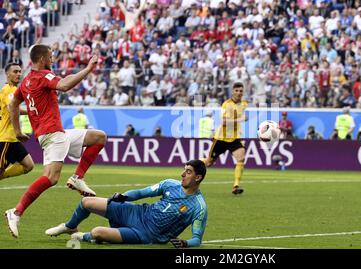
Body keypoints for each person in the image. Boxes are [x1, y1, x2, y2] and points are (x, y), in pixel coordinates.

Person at [5, 44, 107, 238]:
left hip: (55, 133)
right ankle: (16, 212)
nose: (52, 60)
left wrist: (18, 131)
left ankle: (78, 178)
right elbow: (65, 85)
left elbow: (13, 104)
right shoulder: (43, 75)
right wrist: (88, 69)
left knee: (99, 137)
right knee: (51, 178)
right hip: (52, 134)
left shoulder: (26, 81)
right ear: (42, 59)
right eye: (51, 56)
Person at [45, 160, 207, 248]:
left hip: (145, 234)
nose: (182, 174)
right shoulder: (171, 184)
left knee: (97, 232)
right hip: (137, 212)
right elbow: (142, 193)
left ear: (198, 178)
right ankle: (70, 226)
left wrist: (185, 243)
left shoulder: (199, 207)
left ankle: (83, 236)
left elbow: (197, 239)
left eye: (188, 172)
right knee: (86, 202)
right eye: (184, 170)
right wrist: (124, 197)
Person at [203, 82, 247, 195]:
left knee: (241, 158)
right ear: (233, 91)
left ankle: (236, 185)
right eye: (237, 90)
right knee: (208, 163)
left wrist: (241, 123)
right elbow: (224, 122)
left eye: (241, 91)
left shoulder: (244, 104)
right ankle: (191, 164)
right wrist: (240, 119)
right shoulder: (226, 104)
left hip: (234, 138)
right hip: (221, 138)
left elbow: (240, 119)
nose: (239, 93)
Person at [0, 63, 34, 181]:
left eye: (20, 71)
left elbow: (14, 109)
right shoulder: (10, 89)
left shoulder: (10, 90)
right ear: (7, 74)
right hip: (6, 139)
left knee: (28, 165)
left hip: (12, 139)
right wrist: (32, 112)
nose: (19, 74)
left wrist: (31, 112)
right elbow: (12, 108)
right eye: (15, 71)